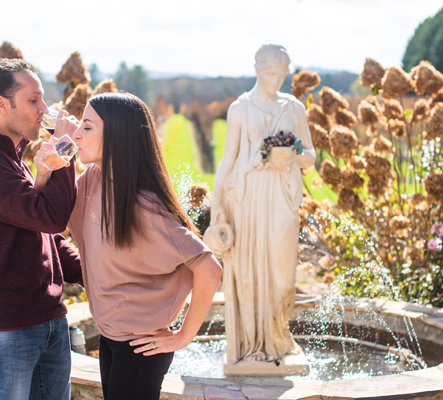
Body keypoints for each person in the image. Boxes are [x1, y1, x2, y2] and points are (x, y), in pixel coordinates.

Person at [37, 92, 222, 400]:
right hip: (111, 335)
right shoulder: (95, 179)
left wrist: (183, 337)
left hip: (140, 346)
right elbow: (46, 214)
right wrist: (46, 170)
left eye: (87, 126)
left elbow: (209, 267)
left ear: (117, 136)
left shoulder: (145, 205)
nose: (77, 134)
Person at [0, 58, 82, 400]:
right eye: (33, 100)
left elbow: (45, 237)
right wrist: (65, 146)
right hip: (7, 327)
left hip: (48, 320)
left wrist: (100, 272)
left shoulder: (12, 159)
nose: (44, 109)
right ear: (1, 104)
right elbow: (50, 216)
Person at [204, 44, 316, 365]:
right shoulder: (241, 108)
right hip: (247, 197)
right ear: (257, 70)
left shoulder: (294, 108)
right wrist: (217, 206)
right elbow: (228, 159)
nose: (276, 80)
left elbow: (310, 156)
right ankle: (252, 346)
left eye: (282, 74)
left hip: (282, 196)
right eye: (270, 73)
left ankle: (278, 339)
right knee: (250, 275)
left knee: (283, 276)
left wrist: (291, 153)